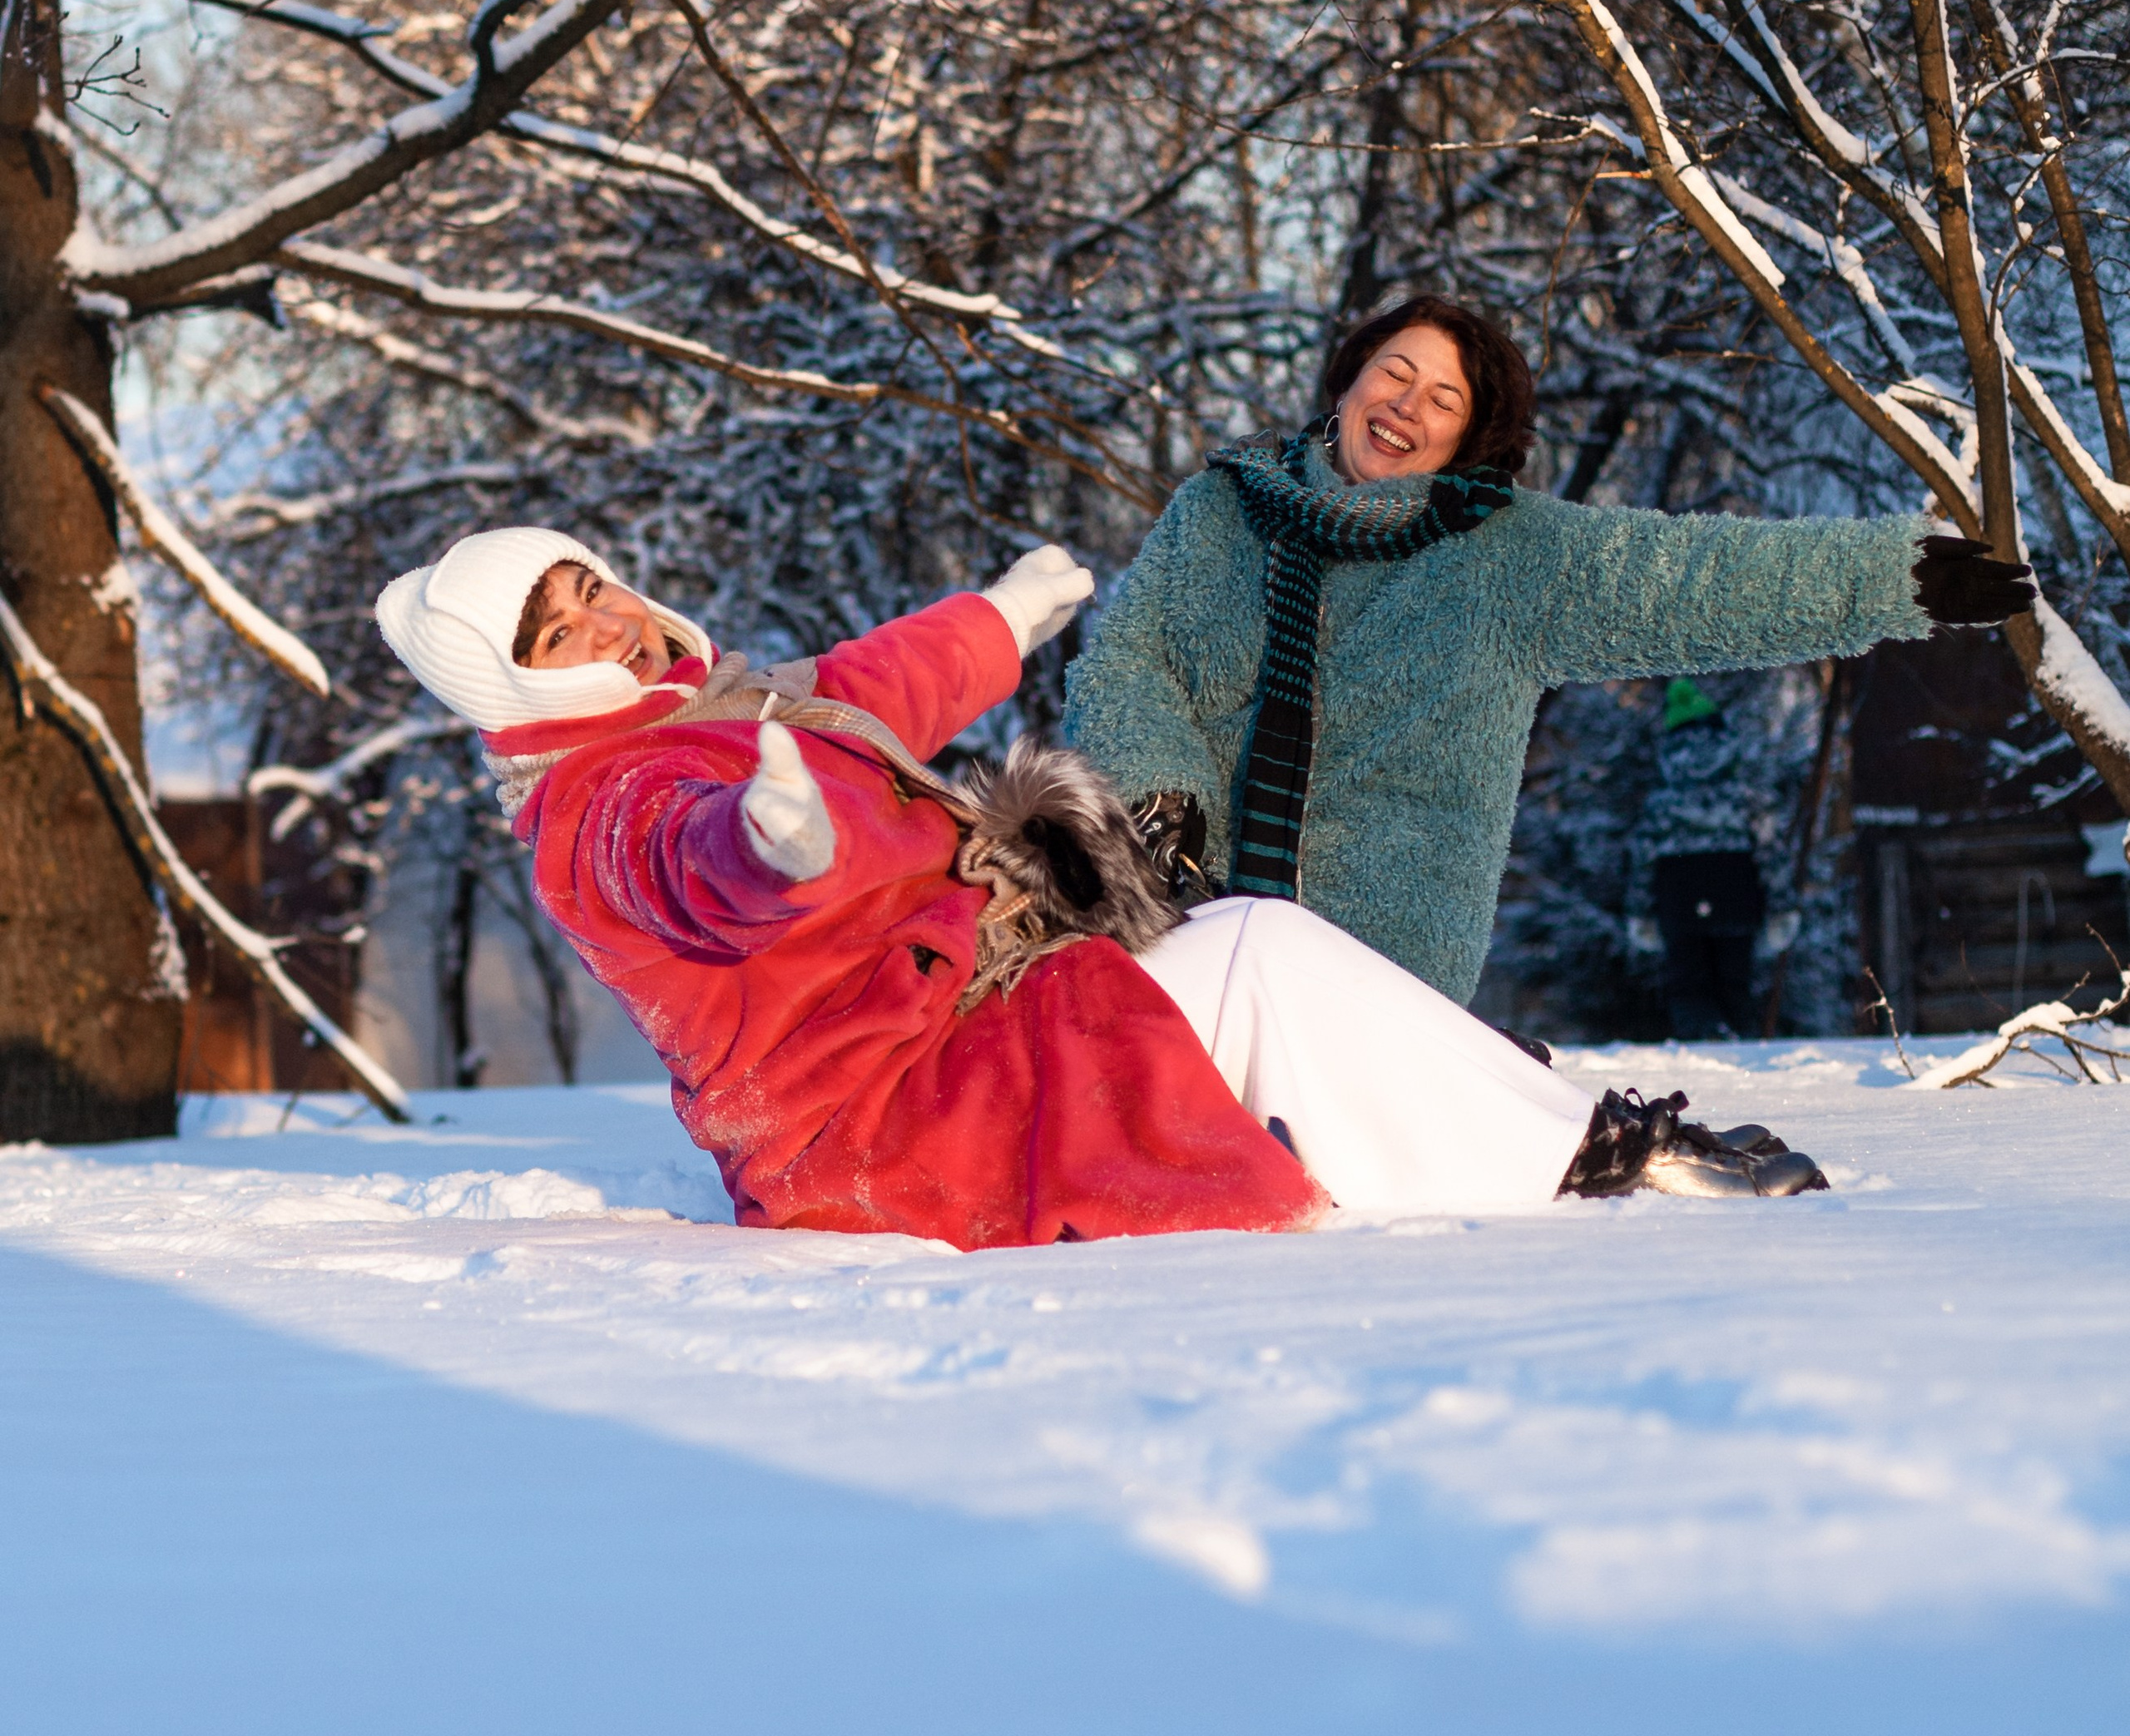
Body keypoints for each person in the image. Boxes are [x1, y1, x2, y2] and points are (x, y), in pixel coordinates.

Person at [373, 525, 1835, 1252]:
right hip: (890, 1125)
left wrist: (1001, 617)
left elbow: (873, 686)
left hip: (960, 1042)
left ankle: (1500, 1133)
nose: (607, 624)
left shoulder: (730, 709)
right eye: (557, 631)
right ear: (513, 684)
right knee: (1253, 953)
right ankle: (1588, 1163)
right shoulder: (604, 800)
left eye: (594, 586)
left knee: (1225, 955)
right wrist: (769, 852)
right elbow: (687, 872)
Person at [1063, 292, 2035, 1006]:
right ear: (1349, 380)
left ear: (1470, 437)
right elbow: (1127, 662)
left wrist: (1886, 577)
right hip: (1188, 916)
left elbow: (1694, 578)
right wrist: (1160, 794)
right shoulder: (1221, 513)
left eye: (1442, 399)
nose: (1407, 405)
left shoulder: (1506, 557)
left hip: (1377, 957)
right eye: (1394, 373)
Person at [1642, 677, 1767, 1038]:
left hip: (1678, 892)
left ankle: (1701, 1047)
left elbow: (1644, 857)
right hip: (1736, 888)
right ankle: (1739, 1049)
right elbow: (1770, 848)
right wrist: (1784, 905)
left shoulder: (1662, 802)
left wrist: (1640, 912)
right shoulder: (1744, 795)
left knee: (1687, 983)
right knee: (1735, 981)